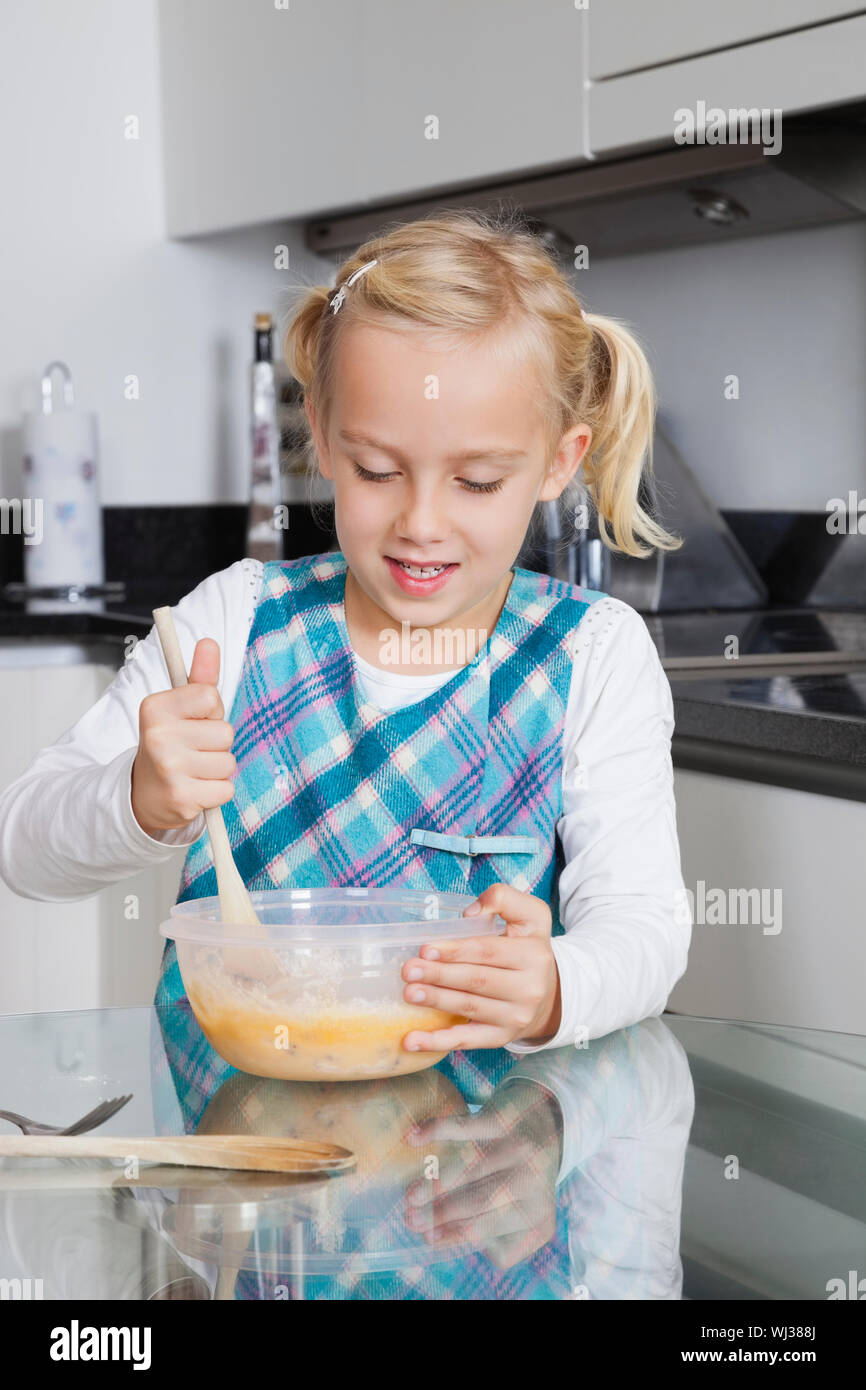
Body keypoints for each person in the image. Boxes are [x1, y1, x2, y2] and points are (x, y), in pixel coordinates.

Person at [0, 208, 691, 1065]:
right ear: (321, 438)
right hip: (233, 1159)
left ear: (558, 462)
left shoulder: (593, 656)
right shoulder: (233, 623)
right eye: (377, 471)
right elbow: (23, 848)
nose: (422, 524)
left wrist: (560, 983)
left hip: (479, 1171)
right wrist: (138, 796)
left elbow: (645, 931)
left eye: (477, 482)